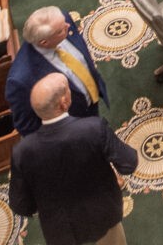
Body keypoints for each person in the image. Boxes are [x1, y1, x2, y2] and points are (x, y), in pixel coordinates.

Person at [9, 73, 138, 245]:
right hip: (103, 218)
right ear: (63, 103)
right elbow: (129, 163)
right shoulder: (94, 129)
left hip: (60, 231)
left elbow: (21, 205)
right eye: (68, 89)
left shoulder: (21, 152)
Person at [6, 6, 109, 136]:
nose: (68, 25)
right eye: (61, 30)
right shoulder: (20, 80)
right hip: (72, 128)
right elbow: (27, 127)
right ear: (44, 42)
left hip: (90, 101)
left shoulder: (61, 21)